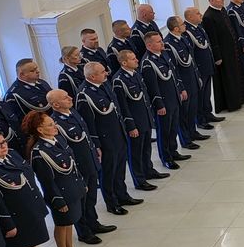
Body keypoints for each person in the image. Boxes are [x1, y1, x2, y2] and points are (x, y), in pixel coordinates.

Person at [22, 111, 88, 247]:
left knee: (70, 221)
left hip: (72, 187)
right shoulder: (39, 152)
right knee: (62, 224)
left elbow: (71, 163)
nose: (55, 126)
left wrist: (81, 183)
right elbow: (46, 181)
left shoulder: (57, 140)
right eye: (50, 125)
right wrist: (57, 199)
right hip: (60, 192)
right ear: (40, 129)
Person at [49, 89, 115, 244]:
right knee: (82, 201)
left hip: (89, 160)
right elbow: (64, 147)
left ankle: (94, 223)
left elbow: (86, 134)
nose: (70, 98)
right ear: (56, 104)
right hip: (78, 166)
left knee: (91, 197)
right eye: (65, 98)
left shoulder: (73, 113)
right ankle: (84, 232)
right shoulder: (56, 123)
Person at [77, 62, 135, 216]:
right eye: (103, 72)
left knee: (120, 168)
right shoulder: (85, 95)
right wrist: (96, 145)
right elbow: (88, 123)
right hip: (105, 140)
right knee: (109, 173)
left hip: (118, 134)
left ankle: (122, 195)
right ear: (92, 76)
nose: (106, 74)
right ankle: (112, 202)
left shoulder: (104, 85)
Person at [140, 32, 189, 170]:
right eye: (158, 42)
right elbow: (152, 87)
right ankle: (166, 158)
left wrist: (181, 88)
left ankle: (173, 151)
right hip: (163, 103)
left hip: (173, 98)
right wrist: (159, 104)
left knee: (173, 128)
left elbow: (173, 73)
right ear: (149, 45)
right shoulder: (148, 63)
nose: (162, 43)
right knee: (164, 132)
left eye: (161, 40)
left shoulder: (163, 55)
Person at [112, 50, 159, 191]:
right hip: (134, 122)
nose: (137, 60)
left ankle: (148, 170)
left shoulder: (135, 74)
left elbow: (143, 97)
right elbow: (123, 107)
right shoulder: (119, 80)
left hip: (144, 117)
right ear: (124, 62)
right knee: (135, 153)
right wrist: (130, 125)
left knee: (146, 148)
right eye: (133, 59)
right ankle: (139, 180)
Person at [163, 16, 209, 150]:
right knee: (184, 114)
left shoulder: (183, 38)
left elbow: (191, 60)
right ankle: (185, 139)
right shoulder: (169, 45)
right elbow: (174, 69)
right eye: (183, 24)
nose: (185, 26)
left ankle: (193, 132)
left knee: (192, 110)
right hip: (183, 84)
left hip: (192, 80)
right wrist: (180, 88)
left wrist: (197, 76)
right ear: (176, 28)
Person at [202, 0, 244, 112]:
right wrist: (217, 56)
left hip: (231, 50)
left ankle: (240, 98)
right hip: (223, 54)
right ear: (211, 0)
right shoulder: (208, 16)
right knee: (227, 78)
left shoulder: (222, 10)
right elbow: (213, 39)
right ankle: (231, 103)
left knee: (236, 75)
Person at [182, 7, 224, 129]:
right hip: (199, 68)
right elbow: (191, 53)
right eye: (197, 13)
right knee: (200, 95)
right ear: (189, 17)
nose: (200, 15)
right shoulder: (187, 32)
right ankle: (200, 119)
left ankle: (208, 113)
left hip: (207, 65)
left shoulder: (199, 27)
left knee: (206, 92)